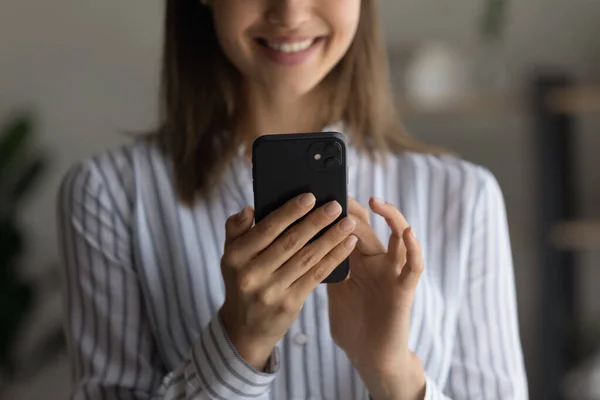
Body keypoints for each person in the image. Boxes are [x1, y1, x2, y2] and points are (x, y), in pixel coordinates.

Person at [57, 0, 529, 399]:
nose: (290, 12)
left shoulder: (464, 197)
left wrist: (393, 372)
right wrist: (238, 343)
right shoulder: (110, 195)